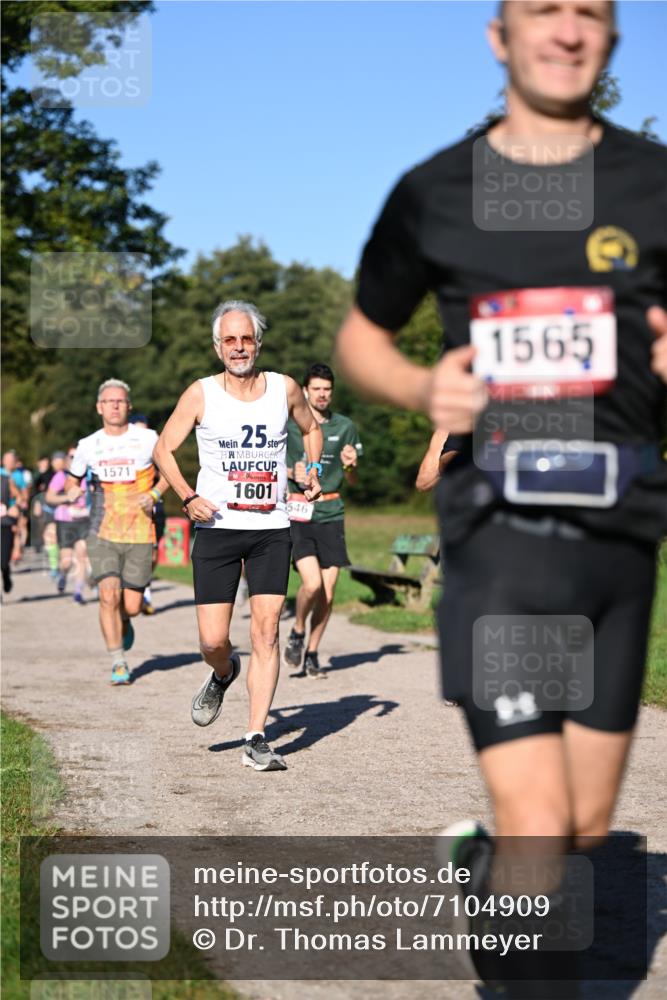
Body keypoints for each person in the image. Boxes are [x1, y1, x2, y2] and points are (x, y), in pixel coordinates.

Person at [336, 0, 667, 993]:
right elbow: (360, 337)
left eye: (588, 12)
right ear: (499, 37)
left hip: (621, 534)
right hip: (499, 533)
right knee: (538, 825)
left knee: (584, 826)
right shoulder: (438, 189)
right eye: (542, 10)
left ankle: (485, 870)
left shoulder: (651, 182)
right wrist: (418, 388)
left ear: (610, 36)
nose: (566, 31)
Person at [154, 300, 323, 772]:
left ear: (258, 343)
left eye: (246, 338)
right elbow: (163, 449)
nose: (239, 347)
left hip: (271, 528)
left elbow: (311, 429)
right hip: (217, 527)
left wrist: (311, 468)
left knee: (266, 632)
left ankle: (256, 737)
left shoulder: (284, 388)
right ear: (217, 347)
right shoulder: (201, 393)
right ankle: (224, 672)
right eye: (229, 340)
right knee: (213, 640)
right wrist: (187, 496)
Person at [65, 379, 169, 684]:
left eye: (120, 401)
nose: (114, 405)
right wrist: (72, 490)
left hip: (140, 532)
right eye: (109, 401)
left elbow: (169, 474)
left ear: (129, 406)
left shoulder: (149, 439)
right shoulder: (88, 444)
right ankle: (118, 662)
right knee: (108, 595)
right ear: (99, 407)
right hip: (102, 531)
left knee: (132, 606)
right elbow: (72, 479)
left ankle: (125, 619)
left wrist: (154, 494)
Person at [283, 362, 362, 678]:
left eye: (327, 389)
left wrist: (351, 466)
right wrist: (291, 471)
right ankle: (297, 629)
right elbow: (270, 466)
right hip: (300, 511)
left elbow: (353, 480)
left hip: (331, 512)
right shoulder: (289, 425)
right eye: (316, 389)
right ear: (305, 391)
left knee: (328, 593)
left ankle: (312, 653)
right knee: (312, 584)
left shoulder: (345, 426)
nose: (322, 394)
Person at [129, 413, 166, 614]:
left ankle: (144, 588)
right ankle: (138, 594)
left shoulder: (156, 451)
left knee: (151, 556)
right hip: (127, 512)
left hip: (154, 507)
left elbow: (167, 475)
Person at [46, 448, 91, 603]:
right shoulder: (61, 476)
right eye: (72, 456)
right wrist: (67, 497)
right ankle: (63, 575)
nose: (75, 459)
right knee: (66, 561)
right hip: (65, 521)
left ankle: (78, 592)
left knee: (82, 554)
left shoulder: (89, 475)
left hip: (84, 519)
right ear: (67, 460)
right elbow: (49, 497)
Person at [1, 463, 20, 594]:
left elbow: (19, 497)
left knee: (3, 561)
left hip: (5, 523)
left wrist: (15, 507)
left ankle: (6, 574)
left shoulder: (6, 480)